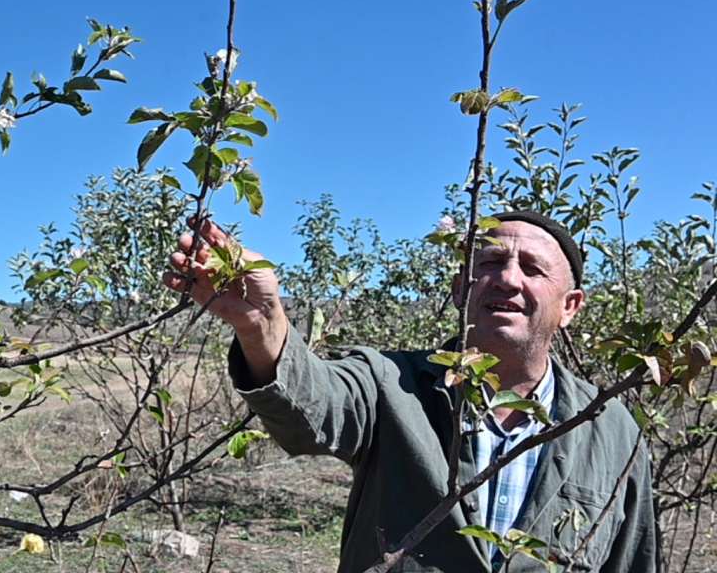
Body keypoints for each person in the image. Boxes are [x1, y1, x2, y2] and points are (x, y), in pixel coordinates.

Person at [163, 212, 656, 573]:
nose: (507, 278)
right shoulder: (391, 383)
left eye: (532, 269)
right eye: (490, 261)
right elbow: (313, 402)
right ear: (463, 289)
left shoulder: (613, 431)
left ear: (569, 307)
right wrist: (264, 324)